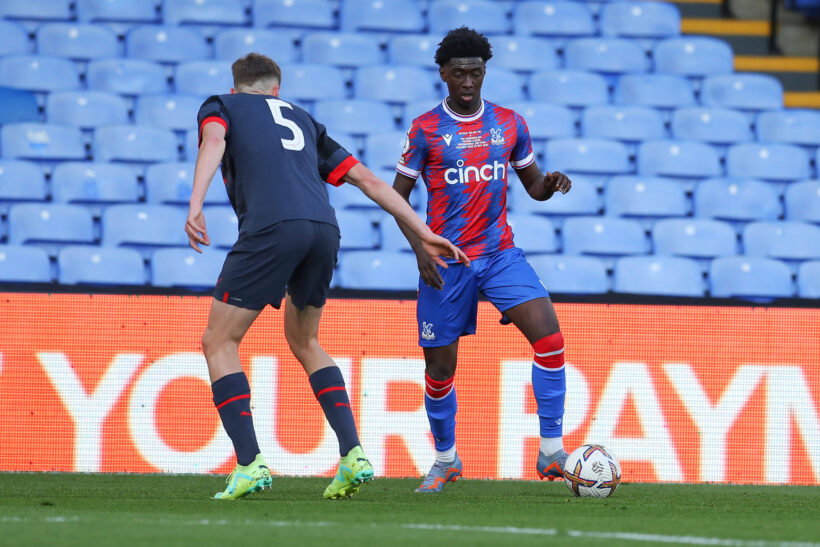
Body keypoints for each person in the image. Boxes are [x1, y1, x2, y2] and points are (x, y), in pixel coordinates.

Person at [185, 53, 469, 501]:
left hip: (270, 228)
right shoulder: (302, 119)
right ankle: (352, 453)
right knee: (305, 340)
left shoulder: (221, 105)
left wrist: (195, 202)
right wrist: (424, 232)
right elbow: (369, 181)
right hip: (322, 230)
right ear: (276, 90)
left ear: (236, 87)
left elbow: (214, 143)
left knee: (218, 342)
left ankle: (248, 464)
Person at [392, 27, 573, 493]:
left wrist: (548, 184)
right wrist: (420, 247)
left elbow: (531, 185)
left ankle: (552, 450)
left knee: (550, 338)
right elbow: (397, 198)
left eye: (476, 73)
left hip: (499, 254)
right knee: (439, 370)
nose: (469, 81)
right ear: (444, 75)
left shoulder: (510, 123)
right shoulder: (426, 129)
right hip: (447, 262)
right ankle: (446, 459)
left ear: (484, 72)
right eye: (460, 74)